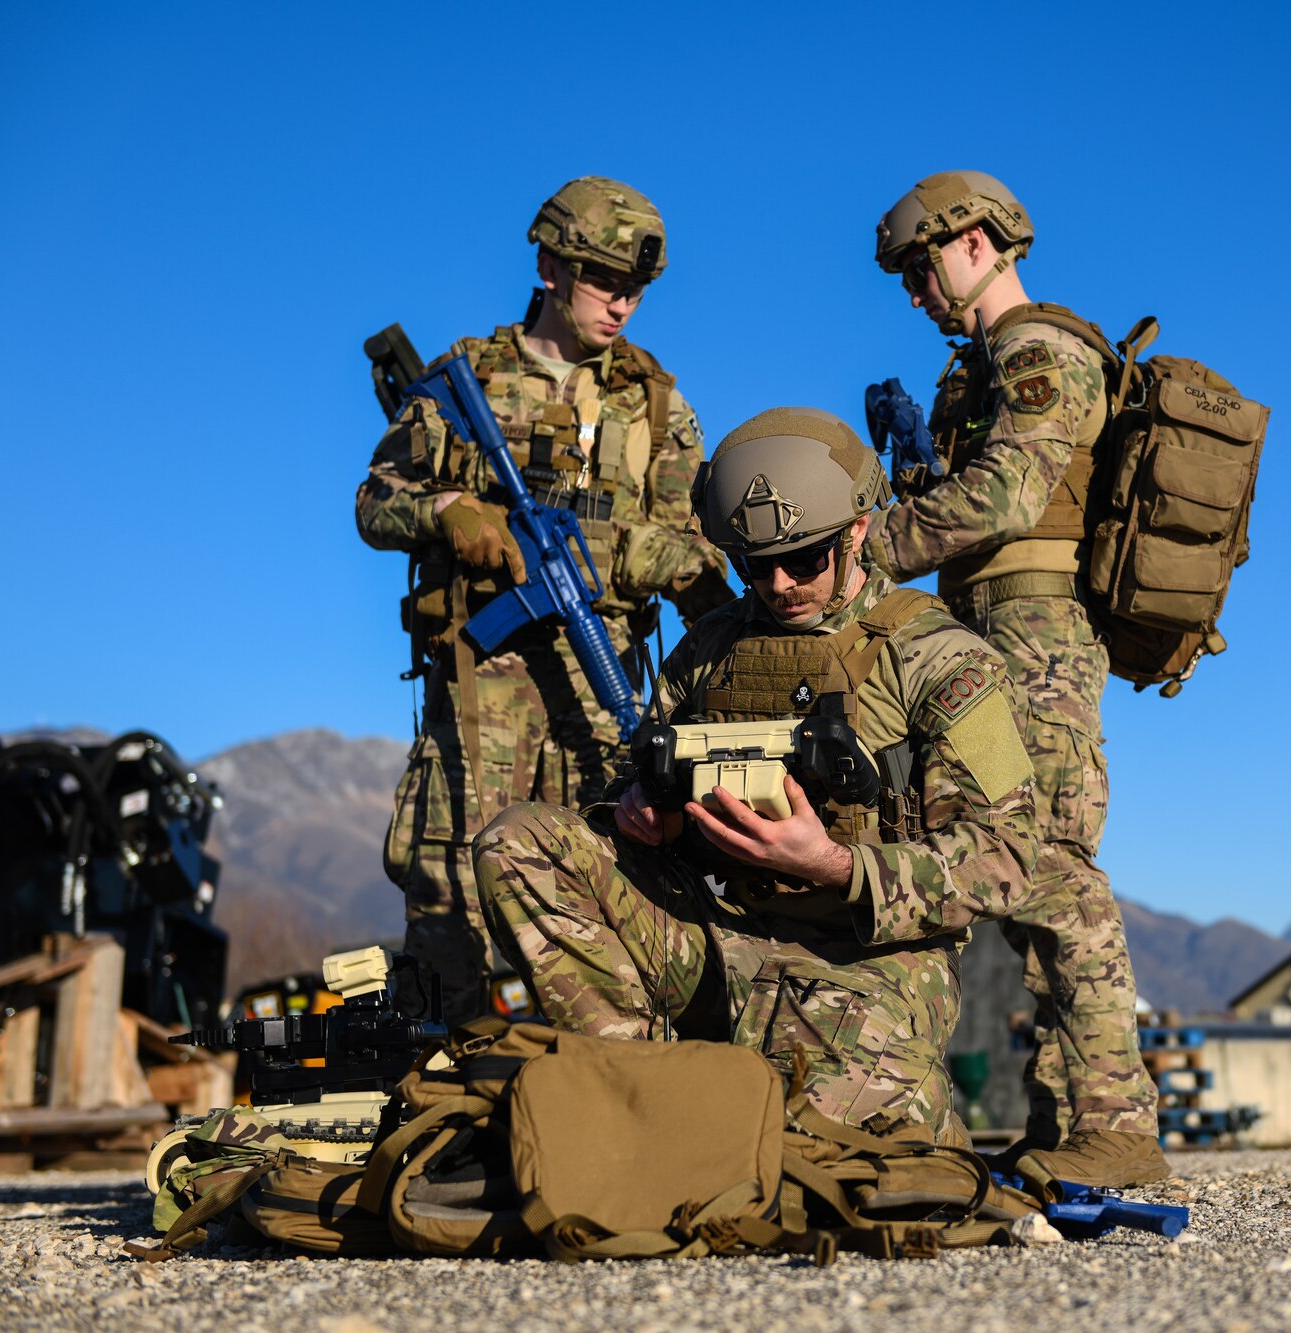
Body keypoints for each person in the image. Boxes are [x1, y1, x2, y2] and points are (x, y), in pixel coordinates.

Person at [473, 408, 1041, 1136]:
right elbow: (634, 774)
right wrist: (643, 811)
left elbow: (1008, 854)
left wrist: (838, 865)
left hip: (864, 963)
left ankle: (704, 1109)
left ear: (857, 531)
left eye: (803, 559)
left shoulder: (946, 658)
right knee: (519, 843)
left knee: (797, 1143)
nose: (777, 584)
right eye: (753, 566)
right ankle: (640, 1082)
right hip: (716, 941)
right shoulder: (707, 650)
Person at [357, 177, 731, 1023]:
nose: (624, 306)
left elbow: (688, 544)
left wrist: (637, 555)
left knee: (602, 877)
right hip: (480, 686)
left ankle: (602, 1081)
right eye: (606, 283)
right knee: (446, 884)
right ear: (551, 266)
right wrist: (448, 509)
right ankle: (450, 1081)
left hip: (601, 688)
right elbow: (374, 502)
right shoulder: (467, 381)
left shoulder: (656, 407)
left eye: (637, 290)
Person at [863, 171, 1169, 1187]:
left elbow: (1006, 492)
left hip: (1034, 630)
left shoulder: (1041, 349)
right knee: (987, 852)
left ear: (981, 239)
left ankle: (1115, 1123)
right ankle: (1058, 1120)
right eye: (904, 277)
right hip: (982, 630)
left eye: (923, 266)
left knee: (1053, 868)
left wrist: (874, 545)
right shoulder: (980, 366)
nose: (916, 292)